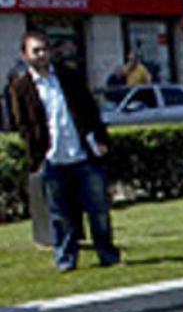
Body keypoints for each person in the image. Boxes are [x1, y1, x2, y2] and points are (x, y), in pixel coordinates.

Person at [10, 30, 120, 272]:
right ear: (25, 55)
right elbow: (23, 125)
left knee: (98, 210)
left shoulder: (69, 78)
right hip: (52, 159)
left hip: (82, 154)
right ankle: (66, 260)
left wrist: (100, 140)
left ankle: (108, 255)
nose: (41, 55)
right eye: (35, 51)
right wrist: (36, 155)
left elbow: (90, 111)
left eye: (44, 49)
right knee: (60, 215)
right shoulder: (21, 87)